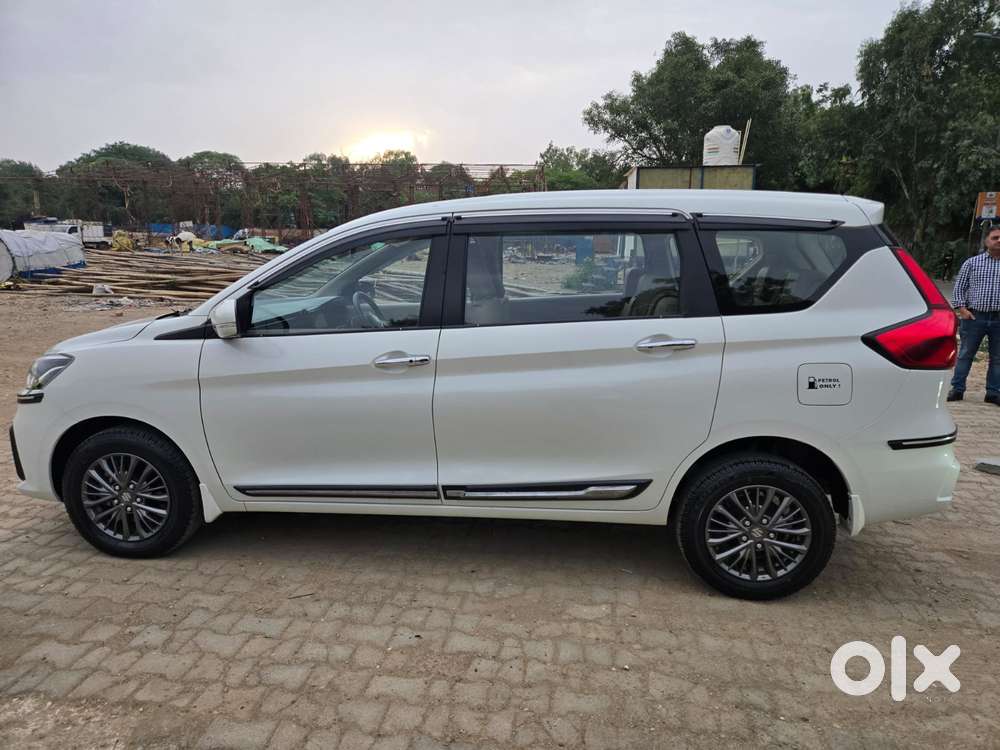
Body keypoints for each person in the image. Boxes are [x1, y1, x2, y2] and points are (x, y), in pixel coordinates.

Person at [948, 225, 1000, 405]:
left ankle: (993, 393)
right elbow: (959, 289)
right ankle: (957, 389)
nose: (999, 241)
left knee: (998, 359)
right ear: (987, 241)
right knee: (965, 354)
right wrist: (962, 310)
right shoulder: (972, 263)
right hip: (974, 318)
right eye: (995, 237)